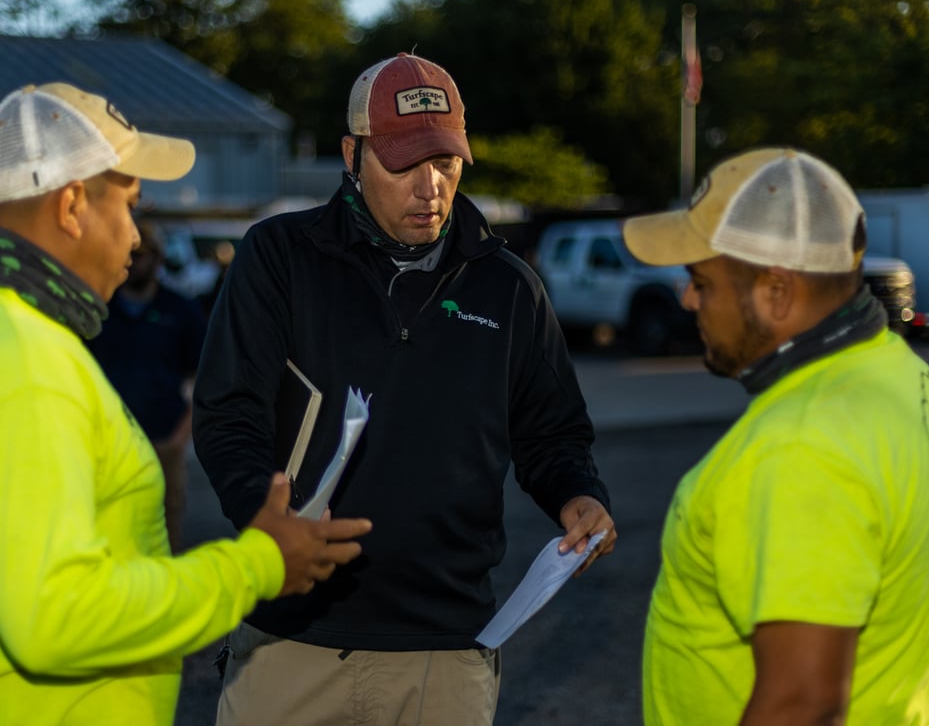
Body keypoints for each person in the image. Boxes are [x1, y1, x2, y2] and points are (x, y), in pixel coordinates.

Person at [0, 81, 372, 725]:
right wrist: (256, 565)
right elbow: (54, 617)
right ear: (70, 207)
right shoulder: (19, 359)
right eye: (130, 205)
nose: (137, 237)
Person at [192, 52, 617, 725]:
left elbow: (552, 429)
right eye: (404, 163)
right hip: (292, 639)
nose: (431, 188)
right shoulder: (279, 257)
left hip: (446, 653)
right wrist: (263, 518)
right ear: (351, 155)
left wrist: (579, 493)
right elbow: (227, 413)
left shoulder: (508, 285)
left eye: (445, 162)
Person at [622, 148, 929, 724]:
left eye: (700, 280)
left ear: (776, 292)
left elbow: (802, 704)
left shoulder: (800, 446)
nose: (687, 300)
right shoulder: (902, 375)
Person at [88, 221, 207, 552]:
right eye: (130, 254)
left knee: (164, 534)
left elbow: (204, 378)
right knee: (107, 533)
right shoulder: (100, 309)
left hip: (162, 442)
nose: (135, 261)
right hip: (108, 445)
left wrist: (179, 439)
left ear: (158, 259)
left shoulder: (180, 309)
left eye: (143, 254)